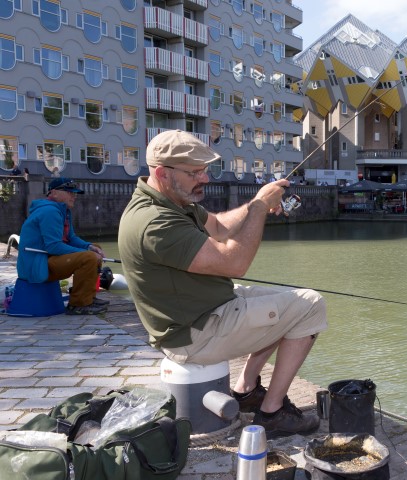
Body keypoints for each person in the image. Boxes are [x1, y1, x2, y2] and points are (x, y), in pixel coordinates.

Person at [118, 130, 327, 438]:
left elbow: (217, 227)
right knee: (311, 306)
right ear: (162, 172)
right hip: (194, 335)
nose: (204, 178)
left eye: (205, 170)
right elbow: (235, 263)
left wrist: (258, 200)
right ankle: (271, 413)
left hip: (206, 309)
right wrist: (258, 210)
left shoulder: (173, 199)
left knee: (289, 304)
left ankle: (245, 391)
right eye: (194, 173)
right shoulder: (155, 222)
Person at [17, 178, 108, 315]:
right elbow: (54, 247)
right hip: (37, 265)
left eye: (75, 192)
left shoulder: (62, 210)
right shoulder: (50, 212)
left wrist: (88, 246)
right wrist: (88, 253)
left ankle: (88, 297)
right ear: (53, 193)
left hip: (48, 259)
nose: (74, 195)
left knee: (94, 248)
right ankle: (78, 305)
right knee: (88, 258)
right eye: (69, 191)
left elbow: (71, 238)